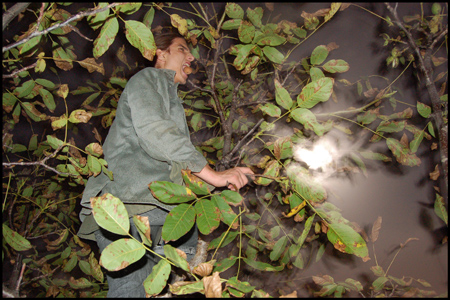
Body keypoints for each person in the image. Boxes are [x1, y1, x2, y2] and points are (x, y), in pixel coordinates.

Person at [77, 31, 254, 297]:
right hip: (126, 208)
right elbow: (155, 132)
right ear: (161, 54)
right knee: (131, 288)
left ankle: (183, 267)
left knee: (161, 284)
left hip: (158, 213)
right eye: (182, 49)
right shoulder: (147, 79)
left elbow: (175, 164)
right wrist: (214, 175)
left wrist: (218, 188)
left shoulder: (171, 99)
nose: (191, 56)